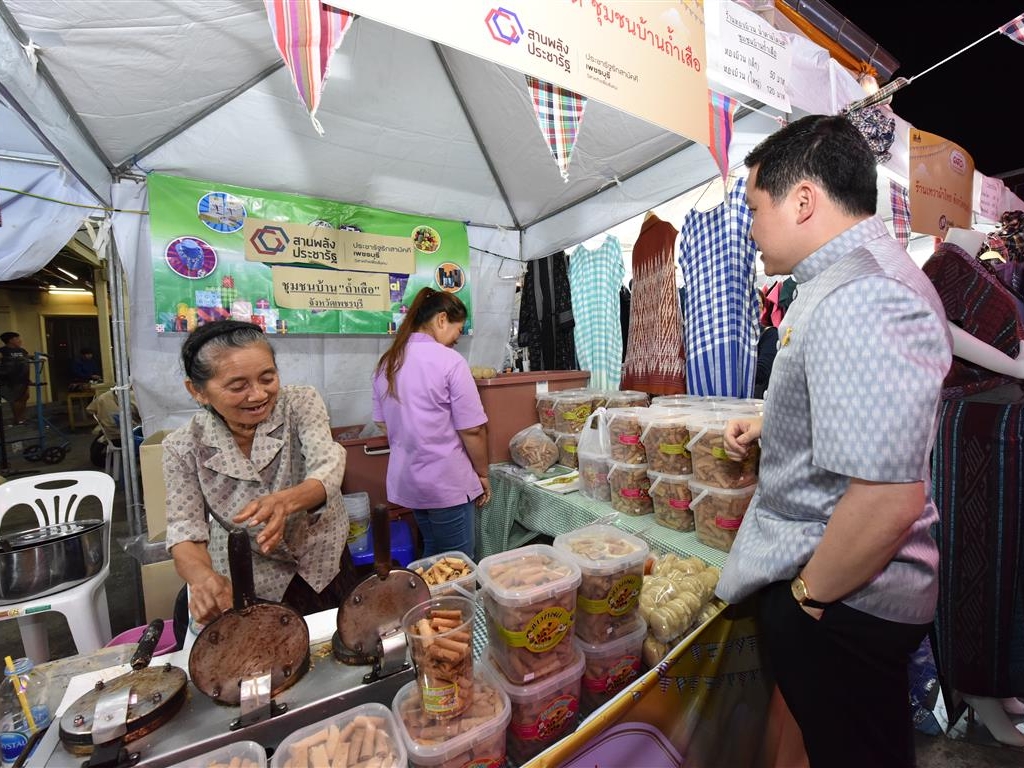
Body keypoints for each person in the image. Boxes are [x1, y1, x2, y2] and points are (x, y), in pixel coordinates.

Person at [715, 114, 953, 768]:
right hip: (839, 587)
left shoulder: (863, 293)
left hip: (845, 595)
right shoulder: (840, 279)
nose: (752, 229)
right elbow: (865, 410)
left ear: (802, 200)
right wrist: (775, 421)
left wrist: (809, 596)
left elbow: (887, 499)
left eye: (756, 209)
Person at [163, 320, 353, 646]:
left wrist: (286, 501)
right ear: (197, 391)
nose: (258, 394)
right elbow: (185, 532)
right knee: (268, 658)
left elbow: (328, 466)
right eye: (237, 387)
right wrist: (204, 579)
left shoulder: (300, 403)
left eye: (268, 378)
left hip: (321, 560)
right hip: (251, 577)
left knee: (336, 646)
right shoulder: (183, 447)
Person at [372, 288, 490, 559]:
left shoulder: (386, 364)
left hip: (411, 482)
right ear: (441, 320)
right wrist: (482, 473)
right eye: (457, 331)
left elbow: (383, 425)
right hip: (447, 483)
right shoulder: (450, 362)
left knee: (433, 555)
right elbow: (472, 429)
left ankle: (430, 602)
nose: (454, 340)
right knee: (457, 563)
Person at [0, 331, 31, 424]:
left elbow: (27, 360)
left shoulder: (22, 351)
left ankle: (22, 417)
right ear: (10, 340)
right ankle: (17, 419)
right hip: (11, 380)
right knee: (16, 399)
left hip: (23, 378)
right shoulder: (2, 351)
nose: (20, 341)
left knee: (25, 396)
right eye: (17, 339)